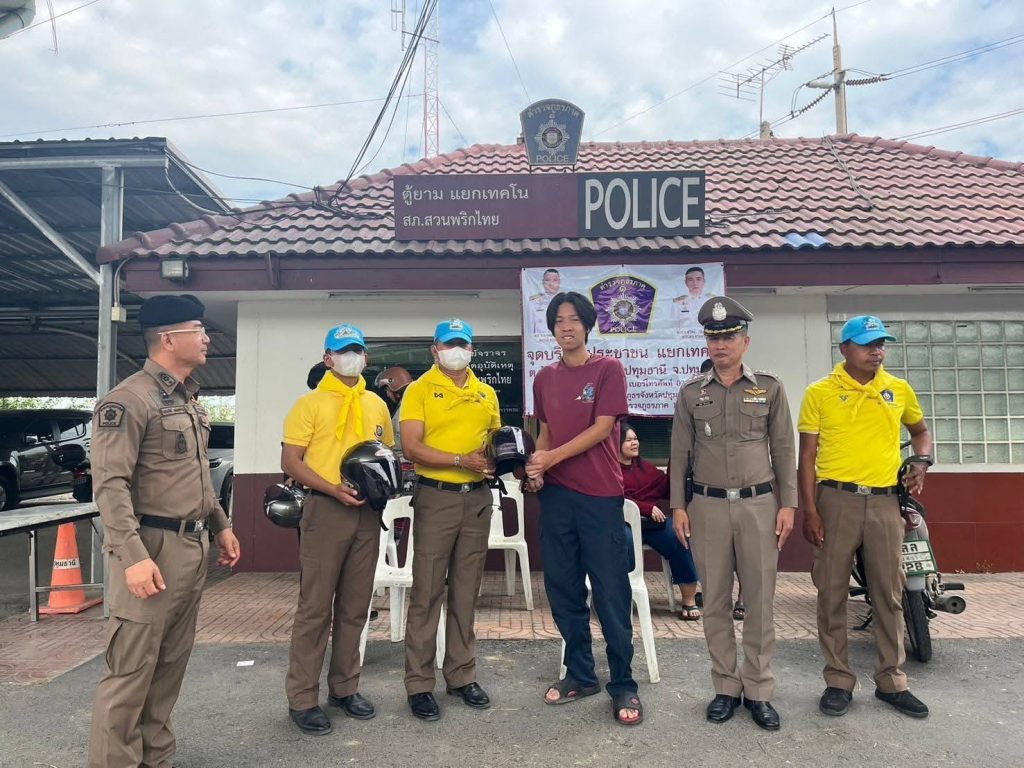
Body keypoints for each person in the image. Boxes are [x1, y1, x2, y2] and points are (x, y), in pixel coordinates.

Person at [88, 295, 241, 768]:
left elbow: (195, 475)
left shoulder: (186, 399)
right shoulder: (128, 400)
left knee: (169, 666)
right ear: (169, 339)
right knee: (131, 671)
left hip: (190, 546)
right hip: (150, 548)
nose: (207, 338)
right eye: (199, 329)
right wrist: (133, 557)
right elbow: (110, 485)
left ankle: (156, 759)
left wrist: (221, 524)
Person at [669, 296, 796, 731]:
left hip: (760, 506)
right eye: (713, 337)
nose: (720, 345)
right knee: (716, 602)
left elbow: (784, 449)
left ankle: (758, 690)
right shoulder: (691, 393)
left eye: (728, 337)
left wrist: (789, 504)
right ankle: (725, 686)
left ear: (745, 341)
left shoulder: (770, 388)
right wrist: (678, 507)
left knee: (759, 601)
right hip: (706, 508)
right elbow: (679, 454)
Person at [798, 315, 933, 719]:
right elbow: (807, 456)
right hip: (835, 499)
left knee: (889, 593)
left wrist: (922, 461)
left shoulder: (898, 389)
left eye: (881, 344)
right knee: (831, 592)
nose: (877, 351)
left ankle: (891, 680)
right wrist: (810, 510)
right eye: (867, 344)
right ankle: (838, 680)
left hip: (885, 503)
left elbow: (921, 432)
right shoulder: (820, 392)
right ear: (845, 349)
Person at [526, 291, 643, 727]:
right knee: (563, 589)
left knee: (611, 592)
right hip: (557, 498)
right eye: (559, 321)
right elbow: (545, 432)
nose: (566, 327)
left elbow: (602, 428)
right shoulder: (544, 377)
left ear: (588, 325)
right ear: (552, 328)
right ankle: (580, 674)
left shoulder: (608, 369)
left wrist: (551, 458)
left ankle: (623, 682)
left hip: (599, 497)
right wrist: (538, 469)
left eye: (574, 319)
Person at [282, 323, 394, 736]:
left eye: (357, 350)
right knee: (315, 607)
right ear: (328, 358)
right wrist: (332, 488)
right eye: (343, 351)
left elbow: (384, 453)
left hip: (367, 514)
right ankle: (302, 698)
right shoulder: (309, 404)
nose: (352, 357)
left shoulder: (376, 404)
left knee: (355, 605)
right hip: (325, 509)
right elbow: (291, 461)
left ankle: (345, 688)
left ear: (366, 357)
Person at [400, 318, 501, 721]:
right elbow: (411, 446)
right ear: (435, 350)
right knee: (427, 592)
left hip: (476, 500)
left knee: (466, 591)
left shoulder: (486, 392)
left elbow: (494, 442)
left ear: (472, 350)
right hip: (436, 497)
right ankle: (419, 684)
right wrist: (460, 460)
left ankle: (461, 675)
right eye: (448, 344)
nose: (456, 350)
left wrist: (501, 457)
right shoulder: (419, 389)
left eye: (463, 344)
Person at [617, 424, 701, 620]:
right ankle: (625, 595)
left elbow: (667, 489)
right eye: (628, 440)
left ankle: (688, 599)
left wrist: (676, 461)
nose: (634, 443)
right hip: (623, 524)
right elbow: (613, 497)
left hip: (651, 526)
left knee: (678, 538)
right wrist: (645, 508)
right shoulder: (609, 470)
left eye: (636, 439)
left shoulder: (646, 468)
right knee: (625, 542)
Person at [374, 366, 413, 456]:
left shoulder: (405, 409)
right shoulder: (417, 401)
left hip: (404, 459)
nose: (387, 395)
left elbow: (399, 444)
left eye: (386, 390)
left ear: (395, 391)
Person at [671, 266, 714, 334]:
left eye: (698, 279)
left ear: (704, 281)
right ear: (686, 282)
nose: (695, 283)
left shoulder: (712, 301)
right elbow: (673, 327)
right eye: (690, 280)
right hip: (685, 338)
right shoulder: (678, 302)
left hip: (707, 338)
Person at [527, 268, 562, 336]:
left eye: (555, 280)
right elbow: (530, 329)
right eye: (547, 280)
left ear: (559, 282)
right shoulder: (534, 303)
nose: (551, 284)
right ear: (543, 282)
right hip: (541, 340)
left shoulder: (566, 301)